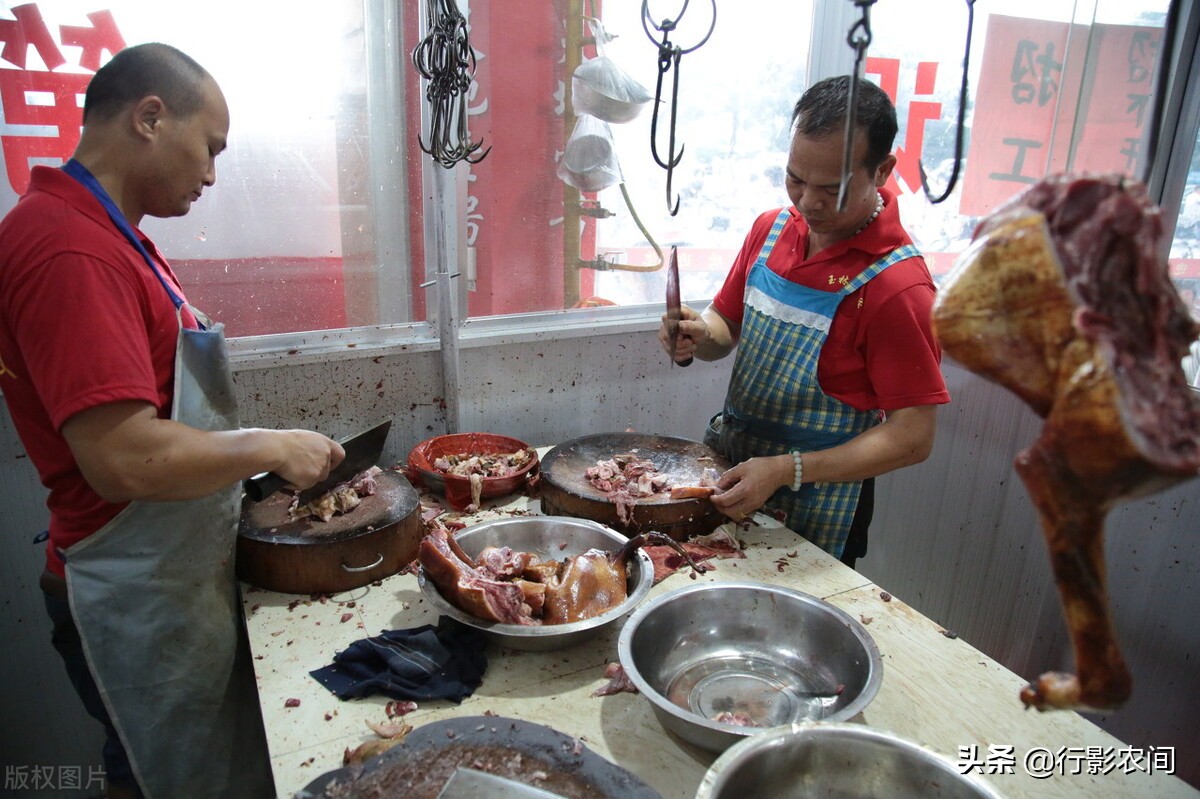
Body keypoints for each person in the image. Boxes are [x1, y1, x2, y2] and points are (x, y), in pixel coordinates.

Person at [0, 44, 345, 798]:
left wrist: (250, 470)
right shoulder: (68, 248)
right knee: (161, 780)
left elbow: (154, 412)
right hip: (132, 587)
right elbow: (122, 457)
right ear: (151, 117)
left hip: (168, 573)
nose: (213, 175)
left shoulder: (116, 237)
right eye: (210, 148)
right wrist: (270, 444)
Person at [659, 76, 950, 568]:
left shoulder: (899, 287)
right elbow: (725, 328)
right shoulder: (770, 230)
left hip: (823, 500)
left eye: (831, 189)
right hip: (736, 470)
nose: (807, 202)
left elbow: (912, 436)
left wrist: (785, 470)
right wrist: (699, 334)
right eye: (795, 179)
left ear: (881, 171)